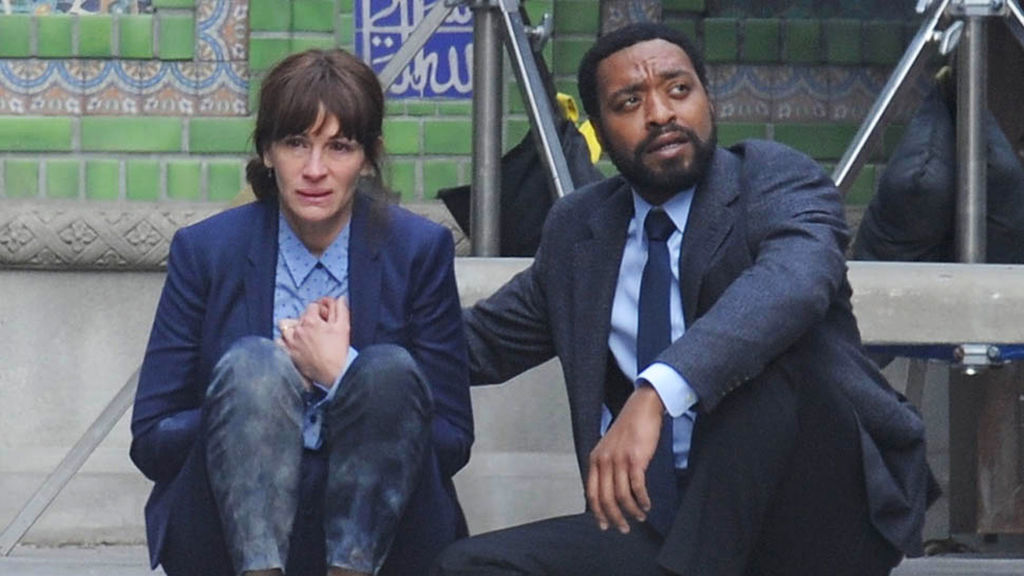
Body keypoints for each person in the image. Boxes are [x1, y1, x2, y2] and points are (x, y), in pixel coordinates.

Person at [434, 22, 934, 576]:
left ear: (707, 100)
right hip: (668, 514)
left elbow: (793, 285)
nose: (660, 113)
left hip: (812, 506)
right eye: (629, 102)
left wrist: (657, 391)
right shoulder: (581, 230)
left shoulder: (773, 179)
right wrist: (361, 333)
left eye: (678, 90)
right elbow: (478, 342)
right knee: (468, 567)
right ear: (600, 130)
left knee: (776, 361)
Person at [130, 48, 473, 576]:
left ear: (368, 157)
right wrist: (251, 404)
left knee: (385, 368)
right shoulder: (206, 250)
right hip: (226, 536)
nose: (315, 170)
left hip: (384, 540)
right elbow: (152, 440)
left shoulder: (418, 250)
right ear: (267, 151)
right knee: (254, 366)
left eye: (339, 146)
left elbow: (452, 441)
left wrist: (344, 377)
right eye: (296, 143)